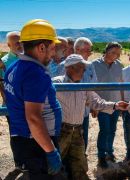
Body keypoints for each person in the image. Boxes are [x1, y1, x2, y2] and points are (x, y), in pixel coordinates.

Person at [4, 19, 64, 179]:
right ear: (42, 47)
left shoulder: (15, 66)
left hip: (24, 138)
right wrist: (50, 151)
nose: (53, 53)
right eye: (52, 48)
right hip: (37, 143)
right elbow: (34, 118)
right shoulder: (36, 73)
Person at [53, 54, 128, 180]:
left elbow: (96, 102)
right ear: (70, 68)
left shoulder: (84, 85)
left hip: (77, 130)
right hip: (61, 130)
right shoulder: (56, 83)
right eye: (81, 67)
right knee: (55, 164)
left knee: (80, 164)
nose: (84, 70)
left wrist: (115, 105)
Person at [92, 42, 123, 168]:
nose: (115, 55)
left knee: (113, 130)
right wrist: (93, 106)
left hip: (116, 103)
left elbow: (121, 84)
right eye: (113, 52)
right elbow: (91, 87)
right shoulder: (94, 65)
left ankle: (110, 152)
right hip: (102, 104)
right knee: (104, 130)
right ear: (106, 51)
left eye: (118, 53)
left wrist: (121, 103)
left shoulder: (119, 65)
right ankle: (101, 156)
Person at [74, 37, 97, 151]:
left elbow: (94, 86)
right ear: (77, 49)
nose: (90, 53)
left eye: (90, 50)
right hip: (69, 115)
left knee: (83, 139)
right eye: (87, 50)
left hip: (85, 111)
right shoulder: (65, 66)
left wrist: (93, 105)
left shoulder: (90, 66)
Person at [0, 31, 23, 104]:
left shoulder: (30, 59)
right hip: (12, 104)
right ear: (8, 45)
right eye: (17, 43)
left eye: (21, 42)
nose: (20, 45)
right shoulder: (3, 62)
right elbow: (2, 84)